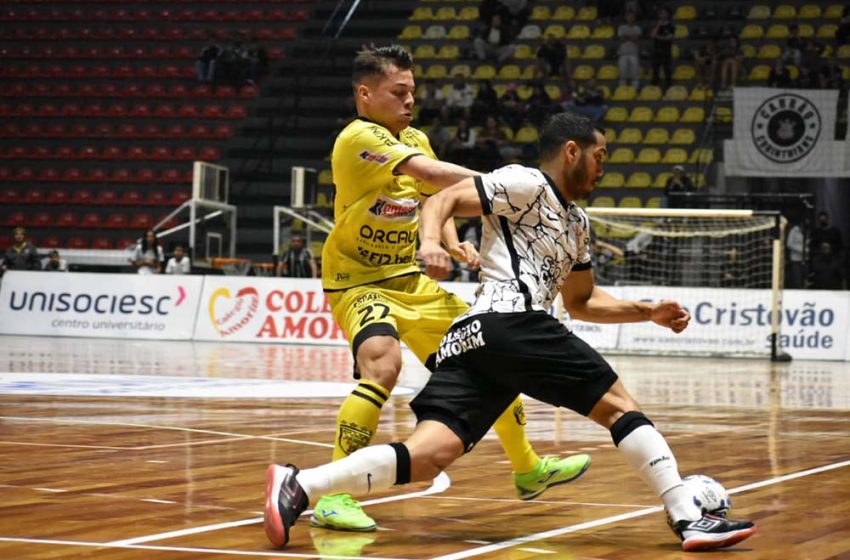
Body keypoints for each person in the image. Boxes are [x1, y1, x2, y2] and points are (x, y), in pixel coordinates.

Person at [265, 112, 757, 551]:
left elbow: (582, 302)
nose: (603, 168)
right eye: (599, 156)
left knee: (428, 456)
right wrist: (432, 243)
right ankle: (688, 515)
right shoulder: (526, 183)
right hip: (510, 321)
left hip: (476, 340)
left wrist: (646, 311)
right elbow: (444, 197)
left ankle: (300, 485)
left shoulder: (577, 223)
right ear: (571, 152)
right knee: (619, 406)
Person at [308, 45, 589, 534]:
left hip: (410, 281)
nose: (410, 100)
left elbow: (435, 197)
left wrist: (452, 243)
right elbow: (432, 175)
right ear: (365, 93)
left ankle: (527, 470)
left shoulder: (414, 135)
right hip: (358, 280)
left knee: (489, 354)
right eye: (399, 92)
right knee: (383, 362)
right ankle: (333, 496)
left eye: (412, 91)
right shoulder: (358, 138)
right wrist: (521, 190)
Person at [650, 8, 675, 91]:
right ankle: (654, 90)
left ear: (668, 14)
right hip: (656, 51)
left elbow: (669, 38)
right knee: (655, 72)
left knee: (667, 71)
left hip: (666, 51)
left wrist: (658, 37)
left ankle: (669, 89)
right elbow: (652, 35)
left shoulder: (671, 25)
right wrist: (658, 25)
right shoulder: (656, 24)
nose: (663, 15)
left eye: (664, 13)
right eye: (661, 13)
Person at [617, 11, 642, 89]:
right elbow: (621, 39)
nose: (630, 18)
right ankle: (621, 91)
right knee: (622, 74)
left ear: (634, 18)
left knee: (634, 75)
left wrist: (626, 36)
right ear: (626, 17)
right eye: (629, 16)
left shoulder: (637, 28)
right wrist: (632, 37)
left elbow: (637, 40)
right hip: (623, 54)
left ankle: (634, 91)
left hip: (634, 54)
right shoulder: (621, 27)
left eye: (632, 17)